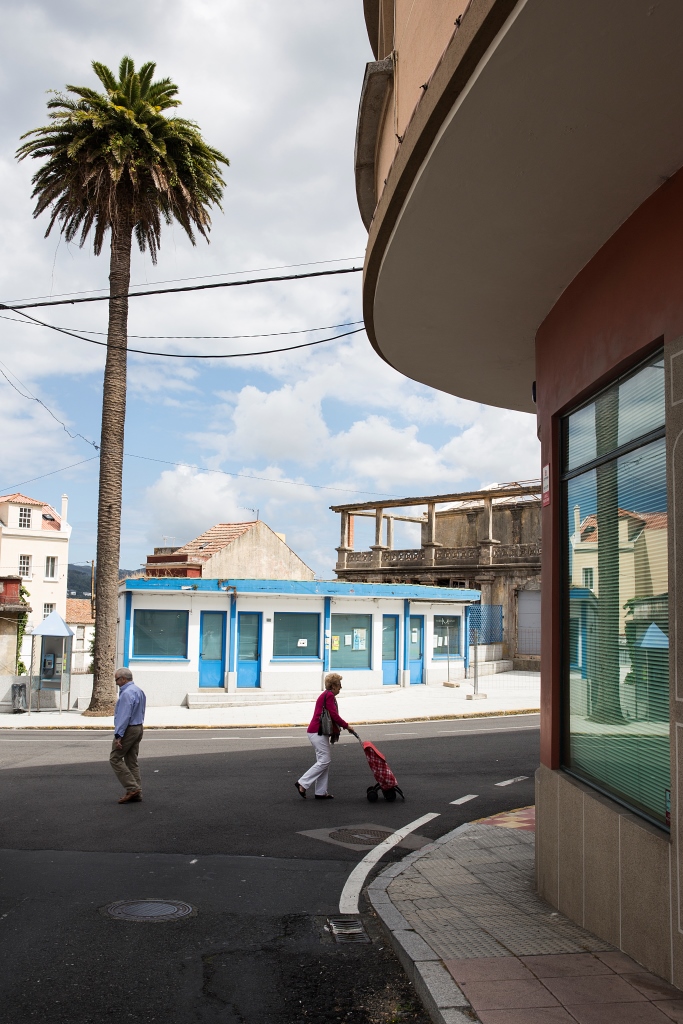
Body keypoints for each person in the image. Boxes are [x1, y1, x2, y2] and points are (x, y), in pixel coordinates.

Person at [295, 673, 355, 800]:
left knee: (323, 762)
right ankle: (302, 783)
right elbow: (333, 715)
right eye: (339, 685)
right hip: (317, 732)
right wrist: (346, 725)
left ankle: (321, 792)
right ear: (333, 686)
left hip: (317, 731)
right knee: (325, 760)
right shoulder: (329, 696)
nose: (341, 687)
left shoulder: (326, 695)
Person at [110, 667, 147, 804]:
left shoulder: (126, 694)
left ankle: (132, 788)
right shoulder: (139, 691)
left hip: (129, 729)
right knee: (132, 761)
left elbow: (124, 716)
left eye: (117, 680)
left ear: (123, 679)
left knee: (115, 758)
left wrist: (119, 736)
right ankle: (137, 793)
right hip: (138, 727)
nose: (116, 683)